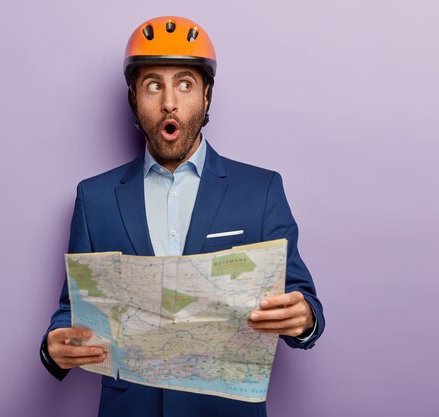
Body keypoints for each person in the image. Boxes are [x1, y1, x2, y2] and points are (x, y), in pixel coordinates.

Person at [40, 16, 325, 417]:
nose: (169, 101)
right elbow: (75, 307)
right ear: (133, 100)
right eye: (153, 85)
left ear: (206, 97)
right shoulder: (95, 198)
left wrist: (304, 316)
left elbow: (303, 300)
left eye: (185, 84)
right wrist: (55, 342)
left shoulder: (261, 191)